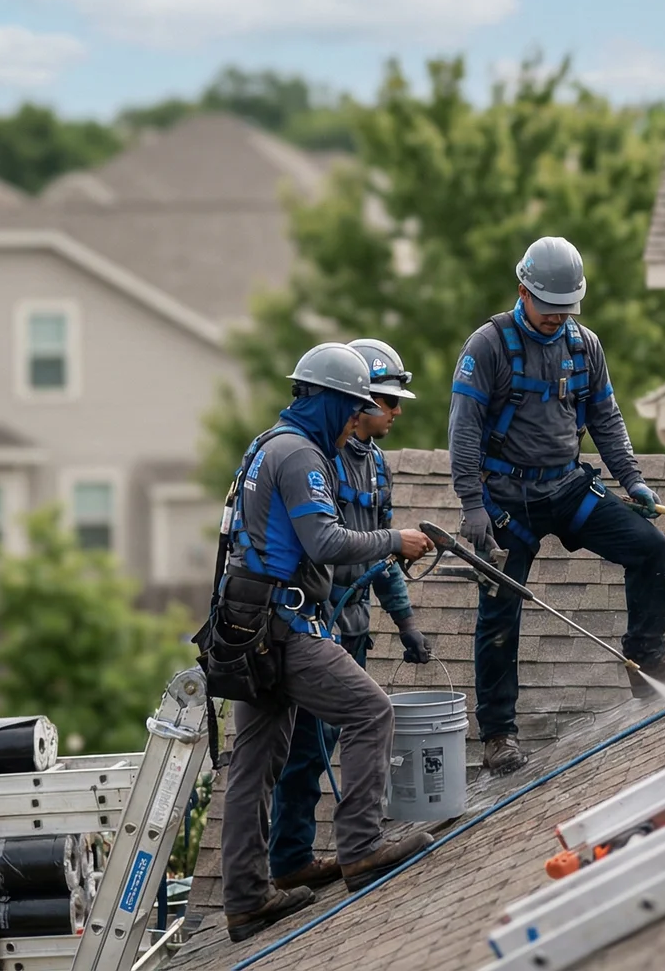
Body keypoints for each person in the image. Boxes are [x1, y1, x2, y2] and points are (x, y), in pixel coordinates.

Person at [448, 237, 665, 777]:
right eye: (549, 310)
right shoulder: (488, 347)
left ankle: (646, 660)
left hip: (566, 489)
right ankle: (498, 734)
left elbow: (606, 421)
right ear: (523, 291)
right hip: (507, 502)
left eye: (567, 310)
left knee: (648, 546)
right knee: (501, 610)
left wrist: (632, 480)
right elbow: (464, 432)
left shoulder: (583, 345)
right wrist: (472, 507)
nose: (558, 320)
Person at [214, 342, 436, 942]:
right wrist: (395, 540)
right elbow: (327, 544)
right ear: (333, 402)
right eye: (356, 405)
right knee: (370, 711)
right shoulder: (303, 456)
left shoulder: (265, 446)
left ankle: (246, 899)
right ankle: (362, 847)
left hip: (245, 624)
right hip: (283, 626)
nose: (358, 419)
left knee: (253, 767)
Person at [266, 338, 434, 892]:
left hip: (352, 625)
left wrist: (404, 618)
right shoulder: (317, 459)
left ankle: (330, 850)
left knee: (337, 740)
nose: (396, 411)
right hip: (313, 622)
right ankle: (293, 859)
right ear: (355, 404)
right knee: (305, 753)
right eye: (387, 401)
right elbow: (330, 541)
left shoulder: (377, 467)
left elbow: (379, 550)